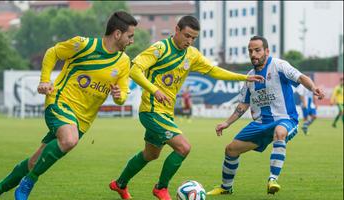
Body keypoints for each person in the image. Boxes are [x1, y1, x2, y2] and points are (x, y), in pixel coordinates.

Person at [0, 11, 137, 200]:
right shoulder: (84, 44)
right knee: (69, 139)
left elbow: (122, 95)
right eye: (130, 36)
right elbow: (53, 52)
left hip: (82, 120)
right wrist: (44, 80)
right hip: (59, 102)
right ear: (117, 34)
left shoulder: (123, 62)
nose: (131, 41)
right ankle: (29, 182)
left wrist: (119, 96)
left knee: (35, 161)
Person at [109, 16, 264, 200]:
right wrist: (155, 90)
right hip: (151, 111)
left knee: (150, 154)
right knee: (183, 147)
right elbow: (134, 69)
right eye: (187, 36)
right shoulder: (160, 49)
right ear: (176, 29)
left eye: (193, 38)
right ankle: (161, 188)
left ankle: (119, 184)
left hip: (165, 113)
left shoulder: (192, 54)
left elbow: (214, 71)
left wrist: (243, 78)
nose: (189, 41)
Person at [207, 36, 324, 196]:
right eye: (250, 51)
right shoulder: (249, 77)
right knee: (231, 150)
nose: (253, 54)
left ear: (266, 51)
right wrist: (227, 123)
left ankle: (272, 180)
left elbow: (300, 77)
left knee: (280, 132)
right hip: (261, 124)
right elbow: (243, 104)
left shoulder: (279, 66)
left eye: (257, 50)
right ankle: (226, 188)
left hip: (285, 119)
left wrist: (313, 87)